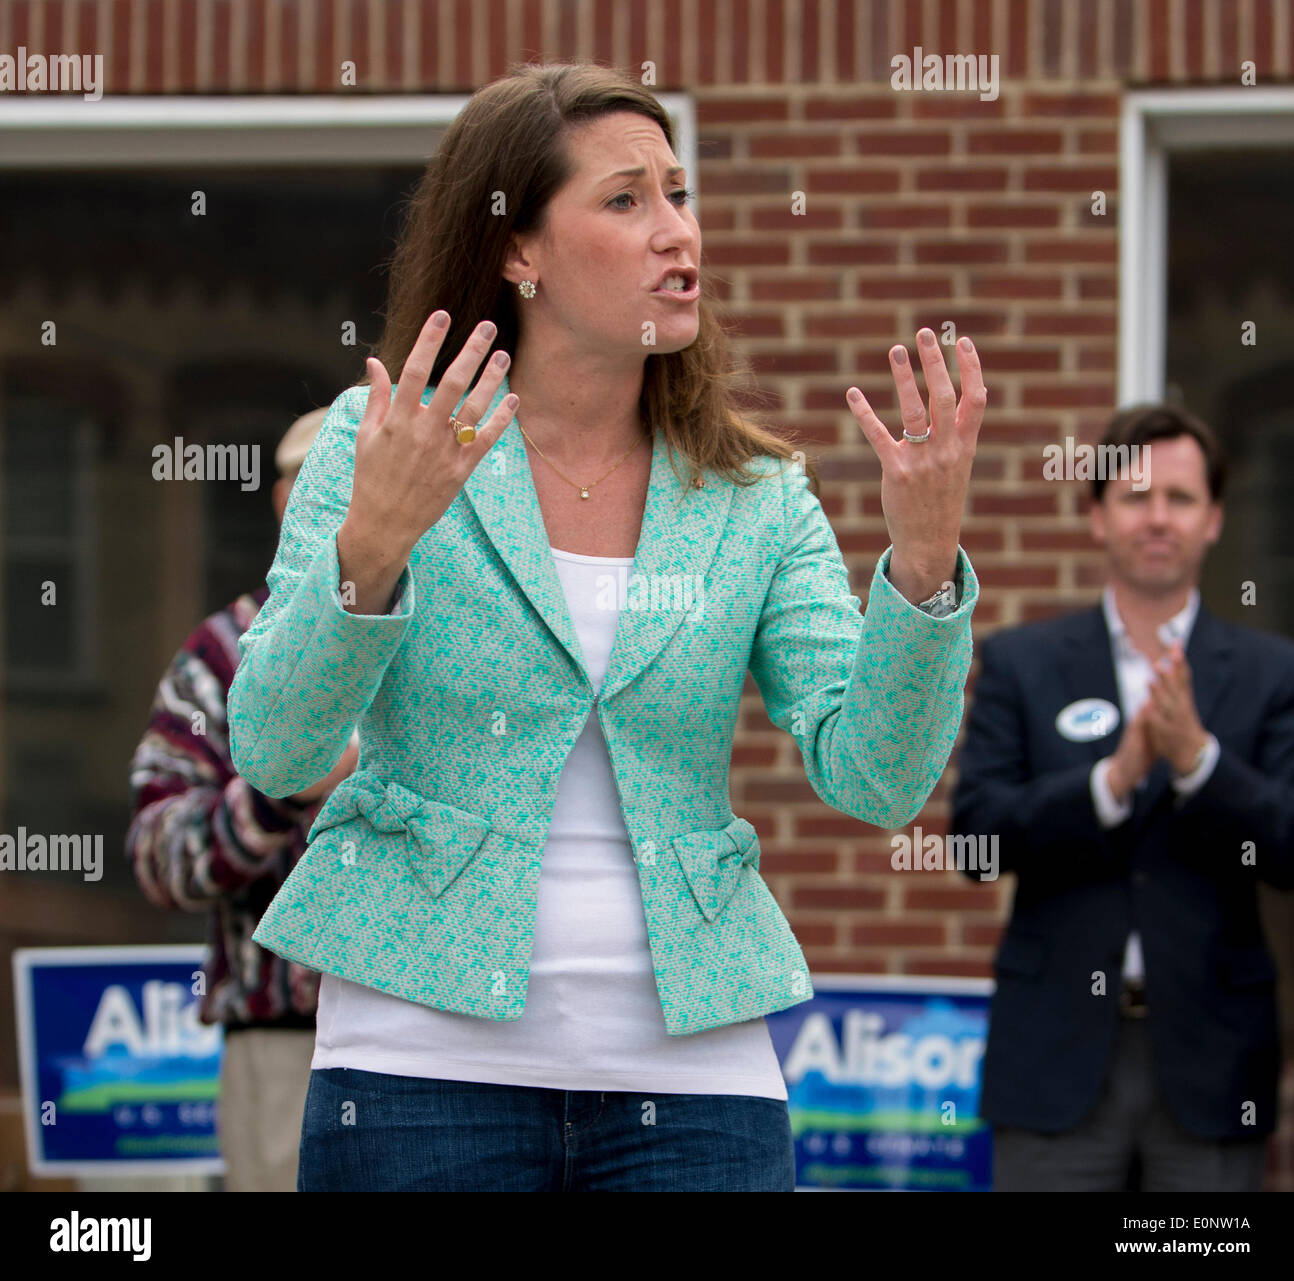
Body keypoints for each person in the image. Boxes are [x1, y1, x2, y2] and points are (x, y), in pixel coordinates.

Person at [228, 61, 987, 1193]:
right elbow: (275, 748)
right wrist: (370, 549)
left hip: (693, 1081)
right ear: (517, 250)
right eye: (626, 200)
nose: (677, 233)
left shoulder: (753, 493)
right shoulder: (382, 438)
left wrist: (922, 565)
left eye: (678, 194)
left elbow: (874, 778)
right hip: (417, 1066)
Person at [952, 404, 1294, 1192]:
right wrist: (1108, 783)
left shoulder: (1273, 674)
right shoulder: (1023, 662)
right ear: (1096, 515)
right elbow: (976, 840)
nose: (1157, 517)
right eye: (1136, 496)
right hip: (1055, 1059)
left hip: (1212, 1064)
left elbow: (1289, 842)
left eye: (1179, 499)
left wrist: (1198, 762)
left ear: (1213, 520)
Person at [126, 406, 358, 1192]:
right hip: (283, 1045)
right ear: (280, 496)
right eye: (313, 475)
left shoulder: (451, 635)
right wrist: (276, 793)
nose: (336, 492)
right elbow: (159, 857)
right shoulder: (221, 657)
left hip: (448, 1035)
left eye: (357, 473)